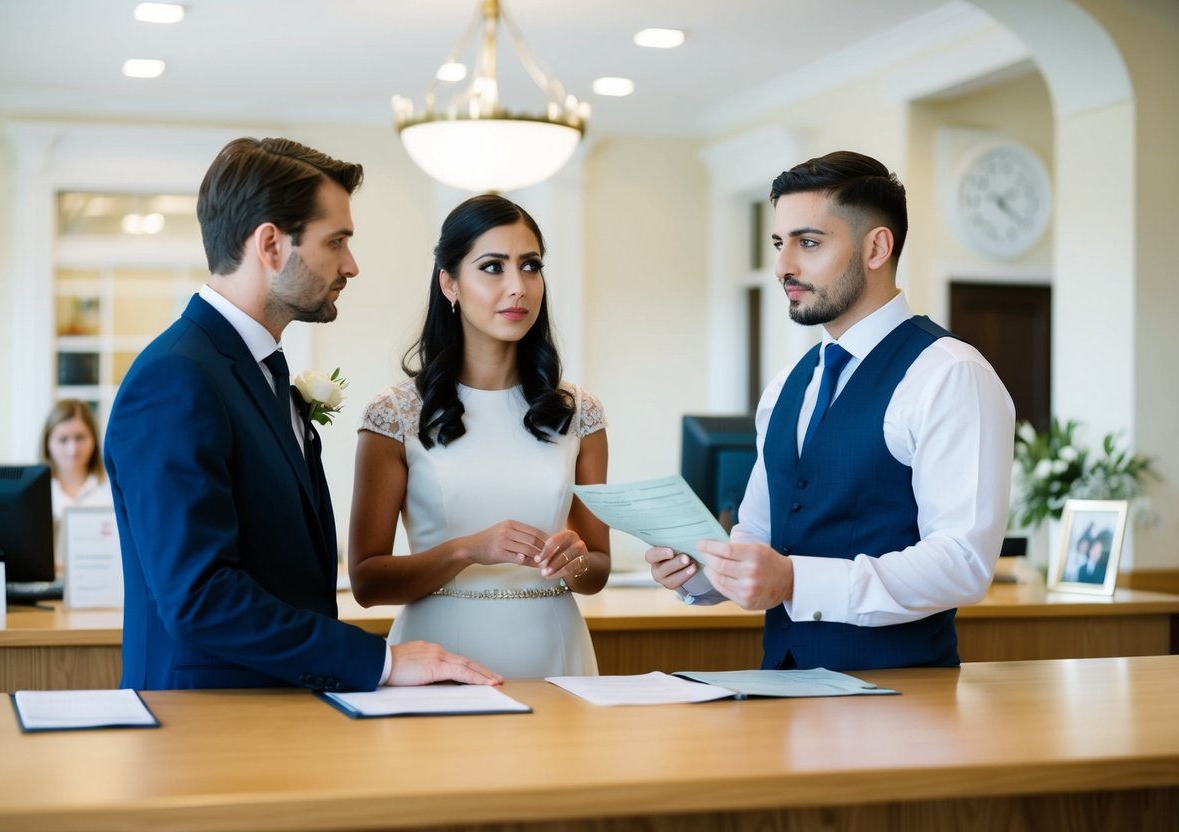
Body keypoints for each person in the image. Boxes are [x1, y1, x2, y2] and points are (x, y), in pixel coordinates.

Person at [104, 137, 501, 691]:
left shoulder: (255, 368)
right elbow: (200, 596)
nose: (351, 265)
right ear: (271, 245)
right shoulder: (176, 379)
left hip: (275, 706)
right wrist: (381, 662)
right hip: (203, 720)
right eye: (336, 241)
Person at [646, 151, 1015, 671]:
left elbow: (963, 562)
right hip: (781, 687)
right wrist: (701, 573)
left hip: (902, 700)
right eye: (779, 243)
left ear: (877, 248)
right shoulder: (784, 388)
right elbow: (758, 536)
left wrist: (796, 580)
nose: (783, 267)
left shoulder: (951, 374)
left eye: (808, 243)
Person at [348, 194, 610, 678]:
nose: (518, 287)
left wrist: (572, 559)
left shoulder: (578, 412)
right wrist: (468, 549)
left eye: (530, 266)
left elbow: (595, 573)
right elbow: (366, 583)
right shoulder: (396, 413)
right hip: (438, 659)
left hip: (554, 656)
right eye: (493, 267)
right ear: (449, 283)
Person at [39, 398, 113, 574]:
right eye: (63, 440)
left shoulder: (110, 491)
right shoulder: (35, 495)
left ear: (94, 439)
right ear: (47, 443)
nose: (72, 449)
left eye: (80, 438)